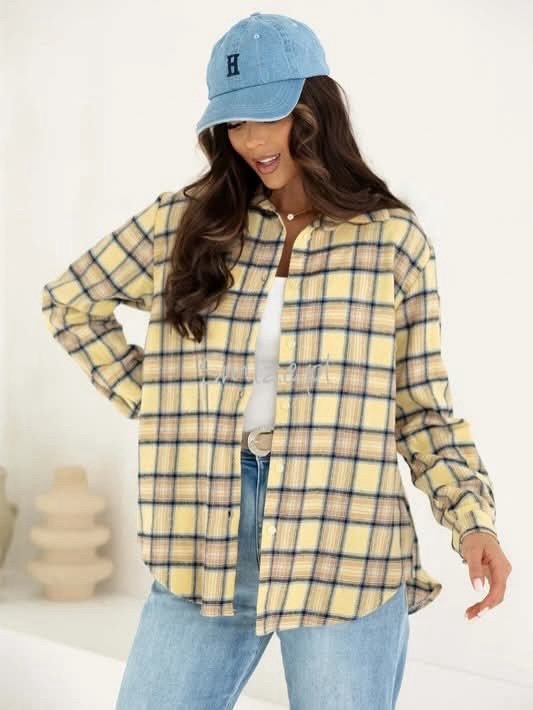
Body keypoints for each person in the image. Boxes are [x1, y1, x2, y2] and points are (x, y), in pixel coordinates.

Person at [41, 11, 512, 710]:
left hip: (344, 535)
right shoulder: (185, 221)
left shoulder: (390, 240)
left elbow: (419, 408)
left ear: (315, 110)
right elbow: (69, 302)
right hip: (204, 530)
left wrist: (471, 521)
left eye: (270, 115)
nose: (253, 140)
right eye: (234, 123)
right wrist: (160, 401)